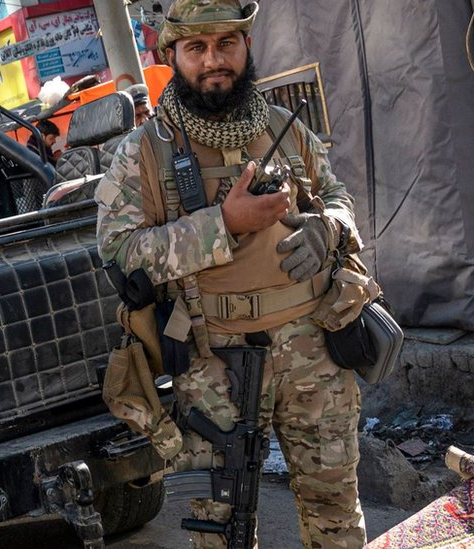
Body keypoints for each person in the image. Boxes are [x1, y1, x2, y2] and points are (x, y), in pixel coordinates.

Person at [95, 1, 366, 548]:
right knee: (221, 528)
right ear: (171, 54)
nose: (213, 60)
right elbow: (120, 254)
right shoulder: (141, 154)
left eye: (227, 44)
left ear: (247, 47)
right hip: (213, 362)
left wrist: (329, 228)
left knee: (336, 518)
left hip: (313, 350)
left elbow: (337, 195)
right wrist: (223, 224)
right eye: (197, 48)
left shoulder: (285, 129)